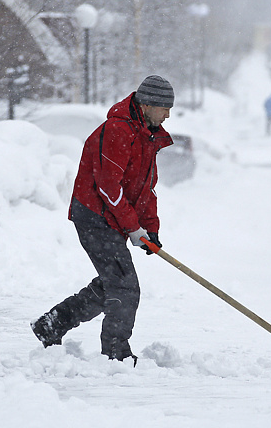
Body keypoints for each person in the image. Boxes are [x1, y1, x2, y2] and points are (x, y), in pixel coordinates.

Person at [31, 75, 175, 365]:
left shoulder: (147, 135)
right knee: (124, 286)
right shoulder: (118, 130)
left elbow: (146, 189)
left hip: (112, 217)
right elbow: (109, 187)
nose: (168, 115)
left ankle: (54, 323)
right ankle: (115, 354)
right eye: (164, 108)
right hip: (94, 215)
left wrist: (151, 229)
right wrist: (134, 228)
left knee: (112, 283)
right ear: (147, 105)